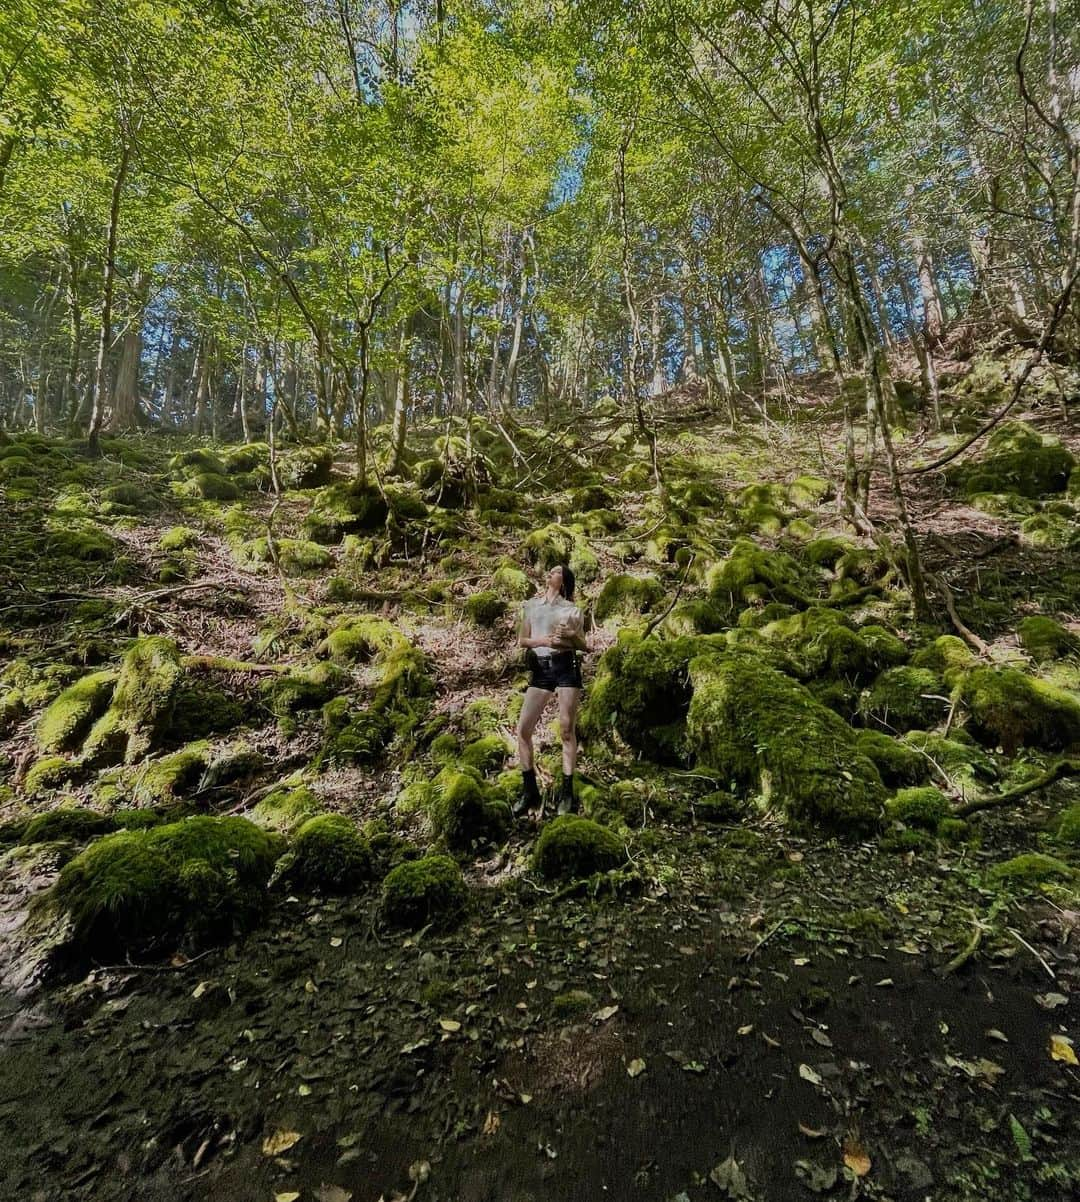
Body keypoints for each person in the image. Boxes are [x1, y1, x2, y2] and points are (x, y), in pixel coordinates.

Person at [514, 563, 586, 817]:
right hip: (541, 670)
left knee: (567, 729)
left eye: (556, 571)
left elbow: (582, 644)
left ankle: (568, 792)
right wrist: (544, 640)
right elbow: (522, 640)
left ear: (564, 580)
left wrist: (570, 636)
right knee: (523, 729)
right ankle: (529, 789)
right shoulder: (531, 606)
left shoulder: (572, 609)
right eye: (550, 570)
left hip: (566, 666)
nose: (550, 573)